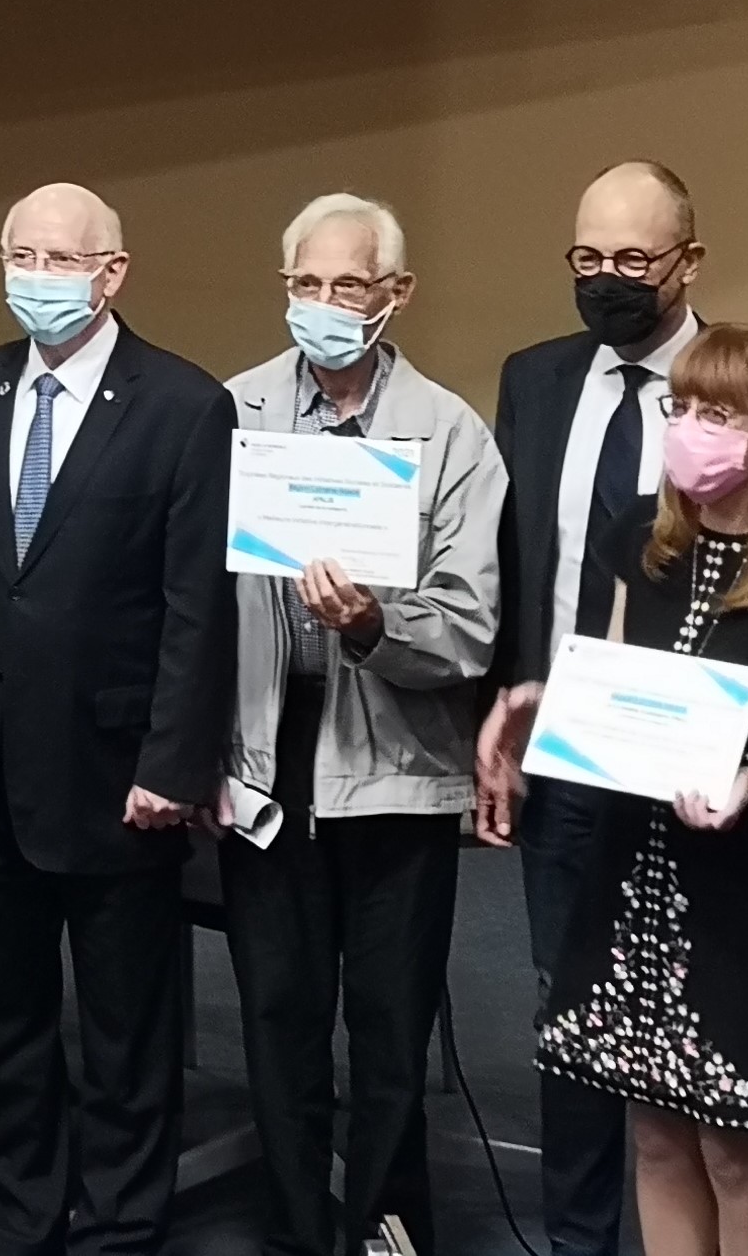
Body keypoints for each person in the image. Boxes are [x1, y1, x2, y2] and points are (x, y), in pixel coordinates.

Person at [488, 324, 748, 1256]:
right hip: (631, 868)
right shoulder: (643, 536)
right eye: (684, 406)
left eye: (719, 412)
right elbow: (624, 682)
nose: (690, 427)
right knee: (655, 1131)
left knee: (734, 1144)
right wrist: (551, 700)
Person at [0, 182, 233, 1256]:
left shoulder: (185, 403)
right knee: (0, 1029)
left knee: (123, 1037)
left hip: (120, 779)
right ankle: (21, 1222)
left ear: (111, 273)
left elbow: (198, 607)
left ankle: (116, 1229)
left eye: (60, 258)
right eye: (19, 252)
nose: (35, 276)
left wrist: (174, 763)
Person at [218, 196, 506, 1256]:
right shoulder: (234, 409)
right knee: (277, 1024)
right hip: (263, 770)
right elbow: (192, 597)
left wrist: (375, 622)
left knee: (387, 1034)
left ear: (395, 295)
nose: (325, 306)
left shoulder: (448, 431)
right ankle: (296, 1228)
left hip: (393, 777)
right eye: (306, 284)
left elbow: (471, 628)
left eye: (349, 286)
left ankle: (384, 1231)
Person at [472, 158, 705, 1256]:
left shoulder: (742, 382)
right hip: (559, 743)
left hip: (686, 749)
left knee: (687, 1009)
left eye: (630, 259)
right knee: (567, 1003)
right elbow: (519, 564)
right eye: (586, 257)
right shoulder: (535, 376)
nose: (606, 278)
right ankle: (578, 1236)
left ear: (687, 262)